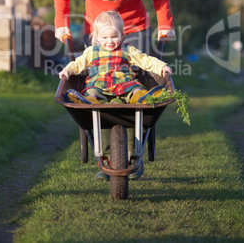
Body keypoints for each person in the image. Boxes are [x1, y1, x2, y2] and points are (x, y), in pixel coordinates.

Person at [59, 11, 172, 181]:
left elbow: (145, 60)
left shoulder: (128, 50)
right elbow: (78, 63)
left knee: (136, 95)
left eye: (114, 36)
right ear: (96, 36)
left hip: (125, 85)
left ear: (122, 35)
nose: (110, 41)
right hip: (99, 87)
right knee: (94, 100)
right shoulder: (91, 51)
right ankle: (105, 157)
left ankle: (144, 99)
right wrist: (68, 70)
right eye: (104, 37)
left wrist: (162, 67)